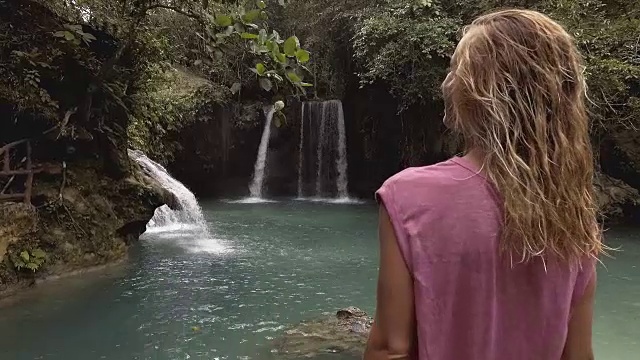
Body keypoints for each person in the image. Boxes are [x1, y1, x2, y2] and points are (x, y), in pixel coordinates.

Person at [364, 9, 601, 360]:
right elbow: (578, 354)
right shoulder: (572, 215)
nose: (446, 82)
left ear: (475, 92)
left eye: (455, 70)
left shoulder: (408, 196)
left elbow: (390, 348)